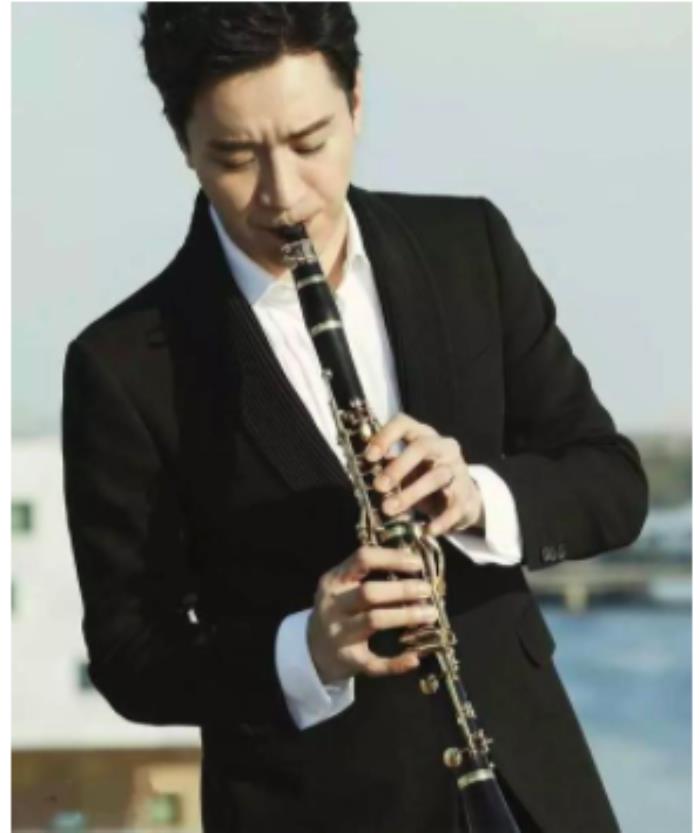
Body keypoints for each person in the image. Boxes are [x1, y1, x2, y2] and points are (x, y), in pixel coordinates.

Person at [61, 4, 648, 832]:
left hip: (535, 792)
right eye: (236, 156)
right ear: (181, 140)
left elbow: (612, 483)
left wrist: (478, 495)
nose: (284, 194)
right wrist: (306, 649)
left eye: (311, 143)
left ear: (357, 100)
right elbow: (130, 654)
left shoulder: (467, 248)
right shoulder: (122, 366)